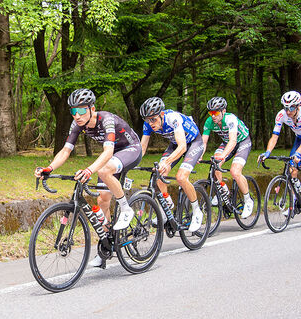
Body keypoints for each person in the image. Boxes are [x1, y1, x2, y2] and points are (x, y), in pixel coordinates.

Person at [34, 88, 142, 267]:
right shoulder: (77, 124)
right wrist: (49, 167)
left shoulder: (106, 119)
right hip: (113, 154)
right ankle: (106, 245)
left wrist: (89, 170)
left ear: (92, 108)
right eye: (73, 111)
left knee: (103, 171)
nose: (77, 115)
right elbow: (66, 150)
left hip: (131, 149)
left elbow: (108, 151)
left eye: (81, 110)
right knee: (102, 200)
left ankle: (126, 208)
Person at [139, 97, 204, 232]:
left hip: (193, 143)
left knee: (181, 177)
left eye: (153, 119)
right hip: (175, 144)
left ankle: (197, 211)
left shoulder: (172, 118)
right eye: (147, 119)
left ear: (161, 114)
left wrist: (166, 162)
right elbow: (142, 148)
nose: (150, 123)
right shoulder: (148, 124)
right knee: (159, 175)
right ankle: (167, 207)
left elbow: (182, 147)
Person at [200, 97, 253, 218]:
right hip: (227, 142)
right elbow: (204, 141)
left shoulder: (230, 119)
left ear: (223, 111)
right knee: (215, 163)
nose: (213, 116)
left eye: (216, 112)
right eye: (210, 112)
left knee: (235, 171)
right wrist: (200, 155)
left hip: (242, 142)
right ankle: (224, 190)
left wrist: (223, 156)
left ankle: (248, 200)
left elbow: (233, 140)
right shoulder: (209, 122)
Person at [258, 91, 301, 210]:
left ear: (298, 106)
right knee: (292, 168)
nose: (288, 111)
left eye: (291, 107)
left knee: (297, 157)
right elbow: (274, 136)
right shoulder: (282, 115)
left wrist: (298, 153)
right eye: (286, 107)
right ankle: (294, 202)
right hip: (299, 138)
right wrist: (267, 152)